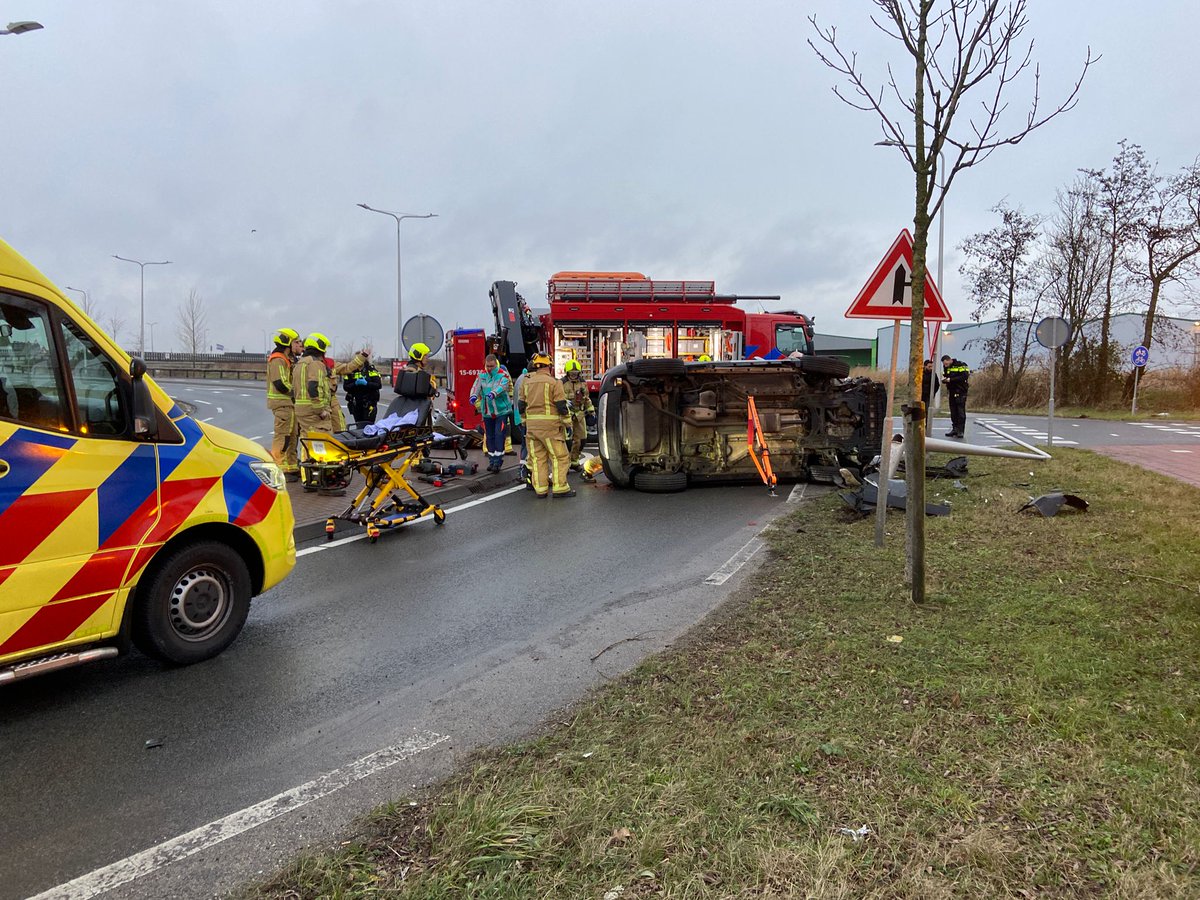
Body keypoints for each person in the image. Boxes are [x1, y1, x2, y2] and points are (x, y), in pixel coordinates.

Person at [518, 353, 574, 497]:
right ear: (549, 366)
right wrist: (568, 423)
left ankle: (541, 490)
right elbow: (561, 406)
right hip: (551, 428)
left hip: (532, 428)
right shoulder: (555, 382)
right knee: (560, 457)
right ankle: (560, 488)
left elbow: (521, 405)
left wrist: (525, 421)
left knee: (537, 459)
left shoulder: (526, 381)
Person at [293, 332, 336, 492]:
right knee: (322, 444)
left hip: (301, 409)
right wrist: (320, 409)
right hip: (314, 411)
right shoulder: (316, 364)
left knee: (306, 443)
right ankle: (325, 481)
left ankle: (308, 480)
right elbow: (313, 386)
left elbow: (294, 389)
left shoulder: (300, 363)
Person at [265, 327, 303, 481]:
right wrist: (297, 393)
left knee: (292, 436)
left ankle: (291, 466)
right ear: (288, 342)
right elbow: (280, 383)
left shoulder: (287, 359)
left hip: (289, 404)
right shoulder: (278, 359)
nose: (299, 344)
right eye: (297, 342)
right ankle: (280, 468)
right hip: (282, 404)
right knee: (283, 437)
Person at [470, 354, 514, 472]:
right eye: (487, 366)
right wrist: (473, 396)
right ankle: (492, 460)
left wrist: (494, 393)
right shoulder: (482, 375)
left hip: (501, 411)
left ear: (496, 364)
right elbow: (476, 387)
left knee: (499, 435)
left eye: (491, 366)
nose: (489, 368)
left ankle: (498, 461)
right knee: (489, 437)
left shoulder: (503, 374)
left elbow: (502, 386)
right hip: (487, 412)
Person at [560, 358, 594, 470]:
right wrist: (564, 402)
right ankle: (565, 463)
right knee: (567, 442)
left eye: (576, 373)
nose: (574, 375)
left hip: (579, 414)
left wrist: (591, 411)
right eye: (571, 373)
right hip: (566, 415)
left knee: (582, 439)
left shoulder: (582, 383)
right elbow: (557, 398)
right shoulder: (561, 383)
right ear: (567, 372)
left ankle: (574, 461)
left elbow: (586, 398)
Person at [325, 349, 370, 431]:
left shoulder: (330, 363)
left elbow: (347, 367)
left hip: (330, 399)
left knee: (340, 427)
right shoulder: (306, 364)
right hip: (316, 401)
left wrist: (363, 356)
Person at [344, 354, 383, 425]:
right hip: (356, 404)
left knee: (368, 426)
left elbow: (378, 385)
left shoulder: (372, 371)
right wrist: (355, 384)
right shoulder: (350, 372)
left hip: (369, 403)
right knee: (359, 426)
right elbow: (345, 387)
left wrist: (366, 383)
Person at [941, 354, 970, 438]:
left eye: (946, 364)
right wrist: (945, 380)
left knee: (960, 411)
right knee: (953, 411)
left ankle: (960, 430)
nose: (945, 365)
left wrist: (951, 379)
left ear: (950, 360)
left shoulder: (961, 365)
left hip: (961, 391)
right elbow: (946, 375)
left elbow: (964, 376)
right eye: (944, 364)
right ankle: (955, 429)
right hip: (952, 391)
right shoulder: (947, 367)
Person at [921, 358, 940, 432]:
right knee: (919, 411)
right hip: (921, 395)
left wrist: (933, 393)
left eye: (932, 366)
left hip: (929, 396)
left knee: (927, 411)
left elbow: (937, 385)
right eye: (929, 366)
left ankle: (927, 426)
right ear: (925, 366)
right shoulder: (920, 373)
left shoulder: (933, 374)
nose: (931, 368)